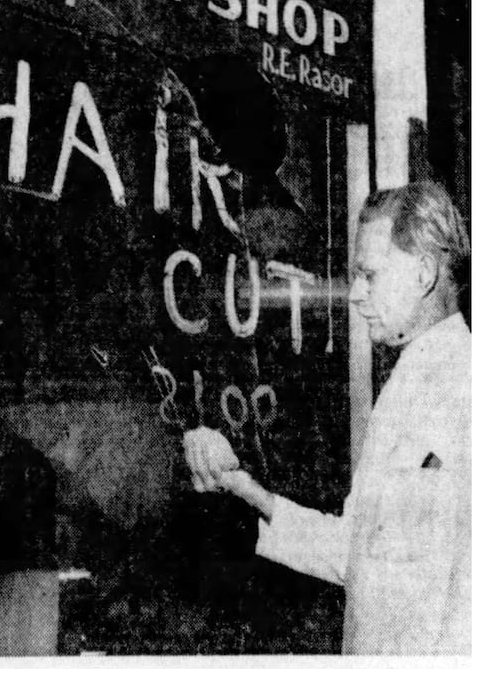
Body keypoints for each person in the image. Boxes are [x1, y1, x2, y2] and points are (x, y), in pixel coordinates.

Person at [184, 180, 470, 655]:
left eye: (370, 275)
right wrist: (243, 486)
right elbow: (356, 553)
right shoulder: (406, 384)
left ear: (423, 274)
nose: (355, 295)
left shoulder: (467, 385)